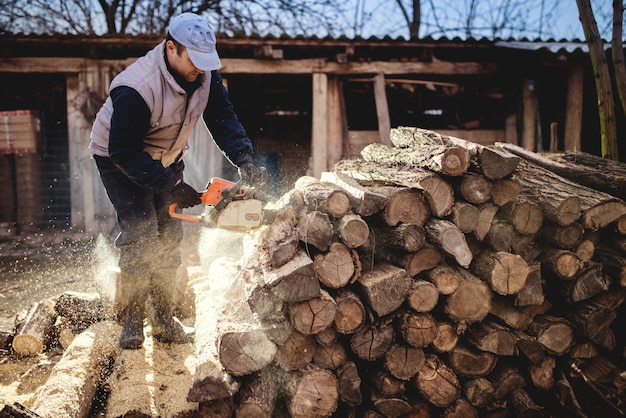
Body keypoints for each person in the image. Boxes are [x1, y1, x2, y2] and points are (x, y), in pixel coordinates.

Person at [89, 12, 265, 349]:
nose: (201, 68)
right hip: (118, 159)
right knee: (142, 231)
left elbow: (222, 117)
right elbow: (123, 152)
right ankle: (131, 319)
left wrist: (245, 158)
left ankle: (164, 315)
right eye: (194, 60)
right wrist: (169, 185)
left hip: (166, 155)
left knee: (169, 236)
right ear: (172, 48)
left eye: (205, 61)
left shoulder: (205, 76)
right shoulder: (137, 87)